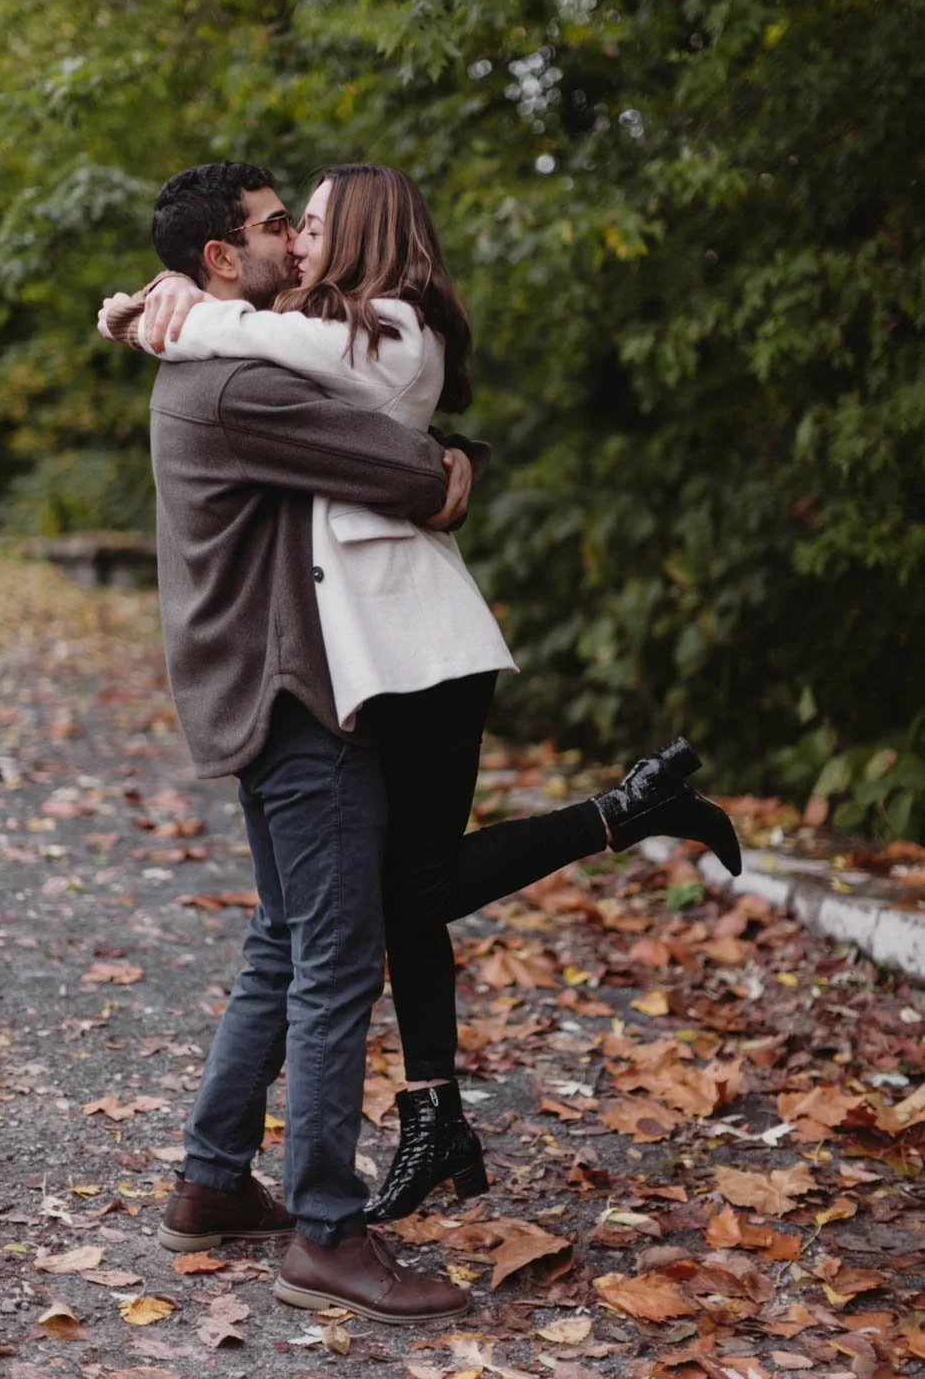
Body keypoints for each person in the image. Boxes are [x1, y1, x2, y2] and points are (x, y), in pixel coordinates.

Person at [100, 162, 742, 1246]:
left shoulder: (307, 341)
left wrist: (156, 310)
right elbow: (403, 466)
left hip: (363, 662)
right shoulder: (245, 376)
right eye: (278, 225)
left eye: (307, 224)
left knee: (320, 929)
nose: (294, 242)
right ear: (222, 256)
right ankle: (329, 1221)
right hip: (308, 682)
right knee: (349, 936)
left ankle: (233, 1179)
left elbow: (391, 430)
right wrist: (443, 458)